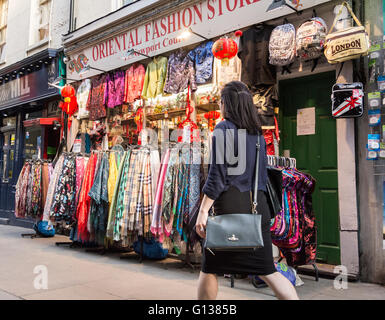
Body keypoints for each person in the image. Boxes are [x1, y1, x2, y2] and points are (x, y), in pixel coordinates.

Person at [195, 81, 299, 300]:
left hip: (230, 204)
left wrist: (203, 210)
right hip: (257, 206)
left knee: (210, 265)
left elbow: (217, 175)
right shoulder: (257, 135)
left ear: (226, 104)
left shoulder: (223, 128)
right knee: (267, 269)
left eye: (221, 101)